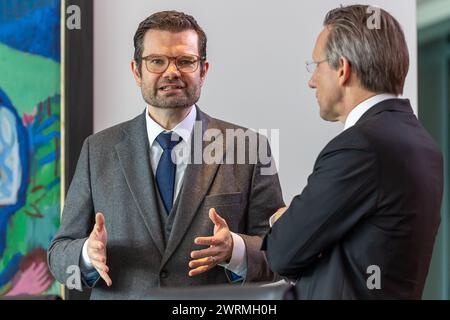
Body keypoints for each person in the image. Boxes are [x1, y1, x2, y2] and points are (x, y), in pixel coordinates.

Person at [48, 11, 284, 299]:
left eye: (185, 61)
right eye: (157, 61)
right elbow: (59, 253)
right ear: (137, 71)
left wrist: (235, 250)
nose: (171, 72)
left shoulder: (250, 148)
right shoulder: (97, 150)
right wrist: (87, 253)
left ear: (203, 70)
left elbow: (282, 253)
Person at [263, 5, 443, 299]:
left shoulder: (361, 145)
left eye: (316, 65)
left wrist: (281, 220)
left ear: (343, 69)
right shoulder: (422, 143)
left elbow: (283, 252)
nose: (311, 81)